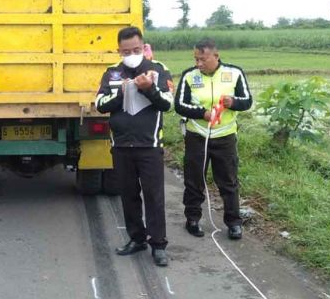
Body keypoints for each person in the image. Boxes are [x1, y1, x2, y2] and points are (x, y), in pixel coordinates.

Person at [95, 26, 174, 267]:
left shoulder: (158, 69)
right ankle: (136, 238)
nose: (131, 53)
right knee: (128, 196)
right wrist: (123, 91)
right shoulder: (111, 73)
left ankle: (158, 244)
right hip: (121, 145)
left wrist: (148, 88)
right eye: (126, 50)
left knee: (154, 196)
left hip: (149, 145)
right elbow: (100, 103)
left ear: (143, 47)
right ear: (119, 50)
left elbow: (167, 104)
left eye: (136, 49)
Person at [174, 38, 253, 240]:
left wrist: (233, 101)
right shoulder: (189, 76)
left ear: (216, 56)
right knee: (194, 180)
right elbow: (180, 105)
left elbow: (247, 102)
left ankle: (234, 223)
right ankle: (192, 219)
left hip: (225, 136)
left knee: (228, 181)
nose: (198, 64)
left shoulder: (234, 73)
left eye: (203, 59)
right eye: (196, 59)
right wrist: (202, 113)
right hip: (197, 135)